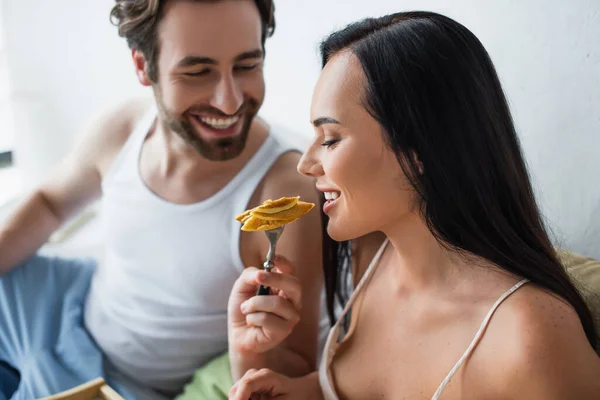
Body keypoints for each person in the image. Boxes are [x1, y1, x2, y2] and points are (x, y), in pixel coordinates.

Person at [227, 11, 600, 400]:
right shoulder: (374, 255)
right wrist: (273, 371)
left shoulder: (529, 339)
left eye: (331, 138)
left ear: (419, 149)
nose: (305, 164)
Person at [0, 1, 323, 399]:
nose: (229, 102)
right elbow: (50, 204)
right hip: (62, 312)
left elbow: (296, 363)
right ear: (142, 66)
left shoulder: (284, 193)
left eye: (246, 66)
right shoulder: (123, 128)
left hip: (129, 387)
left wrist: (257, 346)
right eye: (197, 72)